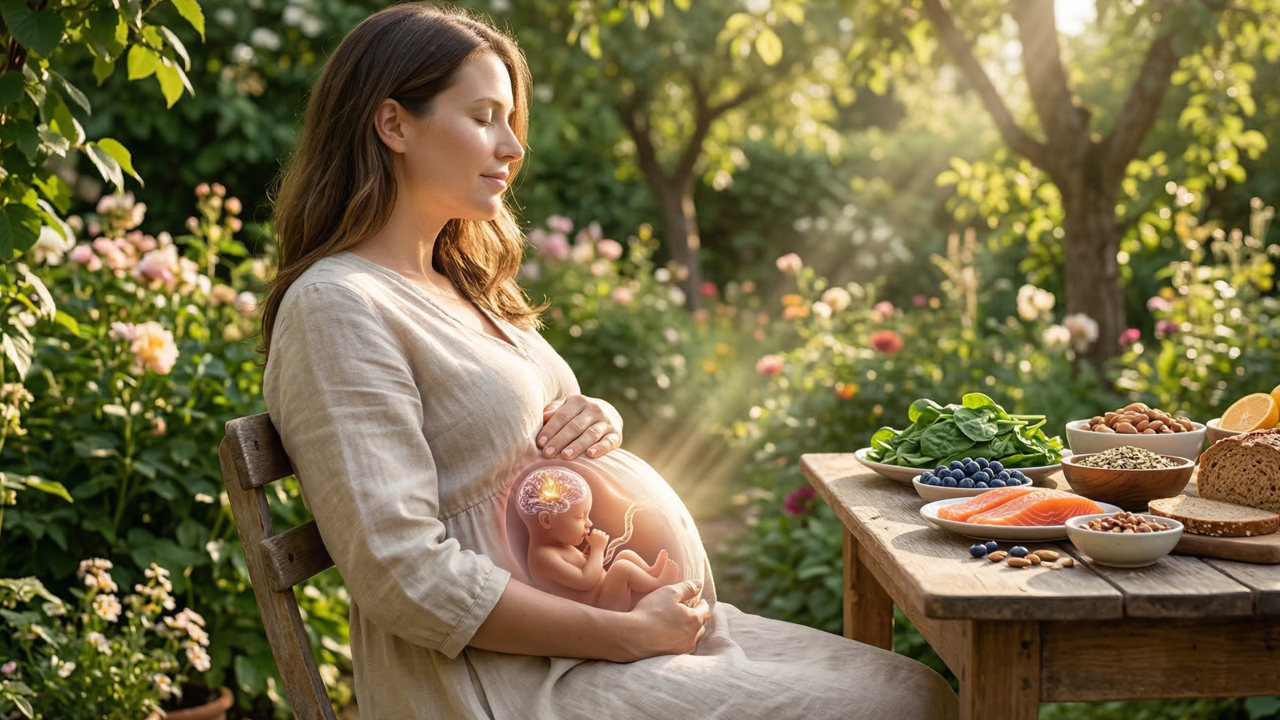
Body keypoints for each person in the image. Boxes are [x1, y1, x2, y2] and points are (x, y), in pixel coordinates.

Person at [260, 3, 959, 719]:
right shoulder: (339, 306)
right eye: (484, 116)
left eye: (511, 120)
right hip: (505, 679)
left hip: (603, 635)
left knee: (919, 690)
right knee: (896, 709)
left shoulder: (457, 284)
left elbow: (517, 431)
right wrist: (623, 635)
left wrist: (598, 418)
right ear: (393, 124)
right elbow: (401, 574)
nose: (512, 146)